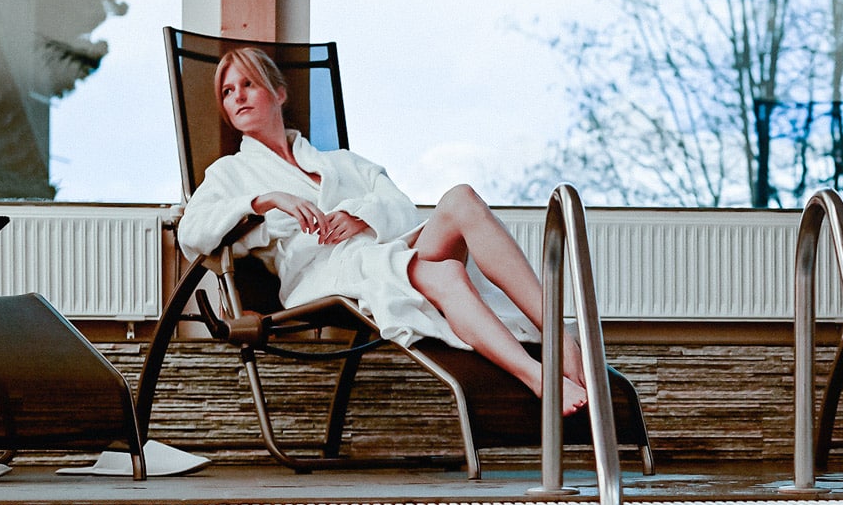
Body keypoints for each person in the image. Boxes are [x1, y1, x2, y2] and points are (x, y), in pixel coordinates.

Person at [176, 47, 588, 414]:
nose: (238, 97)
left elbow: (399, 204)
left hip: (385, 247)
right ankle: (537, 376)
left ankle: (559, 335)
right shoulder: (232, 172)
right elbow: (191, 231)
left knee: (461, 197)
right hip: (328, 274)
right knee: (444, 272)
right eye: (228, 92)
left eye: (248, 84)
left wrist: (361, 215)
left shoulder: (340, 160)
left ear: (279, 93)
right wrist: (266, 199)